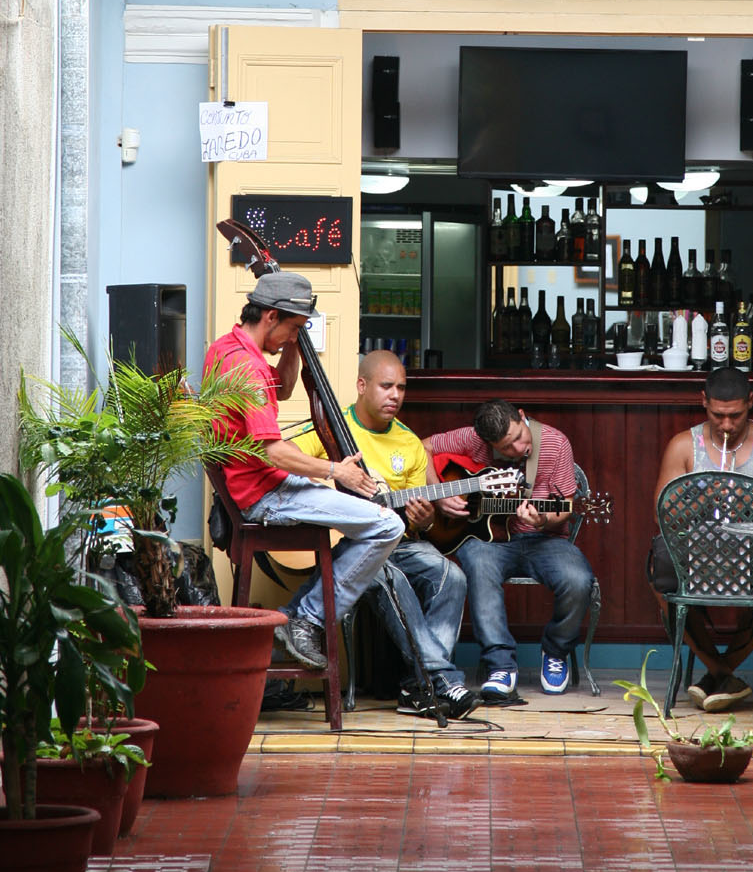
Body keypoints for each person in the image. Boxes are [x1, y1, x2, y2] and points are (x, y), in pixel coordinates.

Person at [204, 272, 403, 670]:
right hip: (264, 496)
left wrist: (294, 345)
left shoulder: (226, 348)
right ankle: (305, 619)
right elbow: (272, 450)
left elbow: (286, 388)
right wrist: (336, 471)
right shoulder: (247, 368)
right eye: (293, 328)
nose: (294, 337)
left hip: (257, 487)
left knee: (367, 521)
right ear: (271, 317)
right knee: (387, 526)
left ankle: (301, 615)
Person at [295, 349, 480, 719]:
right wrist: (330, 482)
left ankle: (416, 686)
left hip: (399, 543)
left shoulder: (409, 443)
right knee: (392, 578)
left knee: (452, 576)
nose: (395, 395)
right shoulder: (331, 427)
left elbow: (416, 522)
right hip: (351, 547)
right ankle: (438, 680)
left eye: (401, 388)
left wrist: (424, 520)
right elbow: (289, 469)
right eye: (385, 386)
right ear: (362, 386)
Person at [650, 366, 753, 712]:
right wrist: (700, 499)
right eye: (717, 415)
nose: (726, 425)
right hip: (701, 551)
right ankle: (722, 671)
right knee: (662, 569)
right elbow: (662, 512)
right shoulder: (683, 446)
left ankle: (718, 673)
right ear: (703, 402)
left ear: (751, 403)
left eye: (736, 415)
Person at [426, 399, 595, 700]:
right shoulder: (472, 440)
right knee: (477, 563)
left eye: (518, 438)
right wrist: (438, 495)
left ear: (521, 416)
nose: (517, 450)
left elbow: (567, 507)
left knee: (578, 579)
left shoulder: (555, 443)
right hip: (492, 543)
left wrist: (542, 519)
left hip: (546, 540)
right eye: (506, 449)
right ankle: (500, 665)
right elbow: (422, 447)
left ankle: (555, 651)